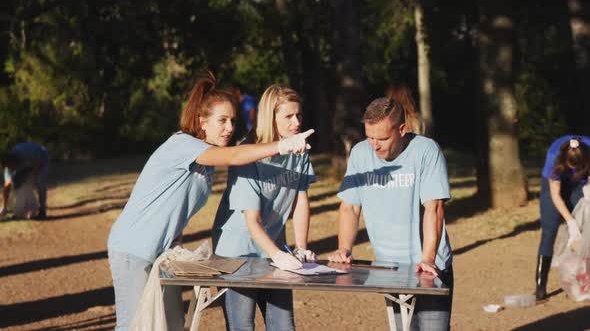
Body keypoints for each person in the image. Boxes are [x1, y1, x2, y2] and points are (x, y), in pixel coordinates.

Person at [106, 73, 314, 331]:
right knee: (133, 325)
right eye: (222, 121)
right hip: (133, 249)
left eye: (233, 121)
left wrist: (176, 240)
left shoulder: (207, 165)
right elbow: (238, 155)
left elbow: (177, 204)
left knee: (171, 325)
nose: (229, 128)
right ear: (202, 122)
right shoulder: (182, 144)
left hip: (163, 253)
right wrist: (282, 146)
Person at [328, 97, 453, 330]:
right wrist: (344, 248)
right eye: (369, 137)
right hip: (390, 269)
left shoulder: (426, 151)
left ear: (402, 129)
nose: (374, 145)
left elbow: (434, 208)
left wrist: (427, 258)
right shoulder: (360, 154)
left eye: (382, 139)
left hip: (428, 268)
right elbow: (350, 207)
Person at [213, 85, 317, 331]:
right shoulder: (247, 153)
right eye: (289, 116)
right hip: (237, 252)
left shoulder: (299, 148)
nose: (296, 122)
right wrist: (278, 256)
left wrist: (300, 247)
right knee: (242, 324)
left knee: (283, 324)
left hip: (274, 246)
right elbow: (252, 219)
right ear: (270, 117)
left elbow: (300, 201)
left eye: (299, 115)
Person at [535, 135, 590, 300]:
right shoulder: (554, 157)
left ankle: (577, 282)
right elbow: (555, 195)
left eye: (579, 166)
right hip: (554, 185)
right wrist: (570, 221)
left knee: (585, 228)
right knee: (549, 230)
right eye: (572, 166)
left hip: (579, 185)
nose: (575, 169)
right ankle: (540, 288)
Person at [1, 142, 50, 219]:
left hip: (41, 156)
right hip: (27, 163)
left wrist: (32, 179)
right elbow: (7, 187)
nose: (12, 169)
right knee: (17, 183)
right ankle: (22, 210)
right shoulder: (8, 169)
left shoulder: (27, 154)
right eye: (10, 168)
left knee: (40, 181)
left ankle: (42, 210)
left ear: (15, 162)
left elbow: (39, 165)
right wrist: (4, 208)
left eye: (12, 166)